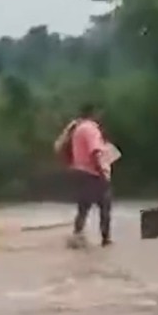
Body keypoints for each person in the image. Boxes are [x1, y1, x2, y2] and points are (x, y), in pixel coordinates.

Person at [54, 103, 116, 248]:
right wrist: (102, 172)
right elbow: (95, 152)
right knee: (105, 206)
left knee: (83, 208)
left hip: (79, 172)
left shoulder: (78, 129)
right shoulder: (91, 129)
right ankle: (105, 239)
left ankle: (77, 236)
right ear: (94, 113)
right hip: (93, 173)